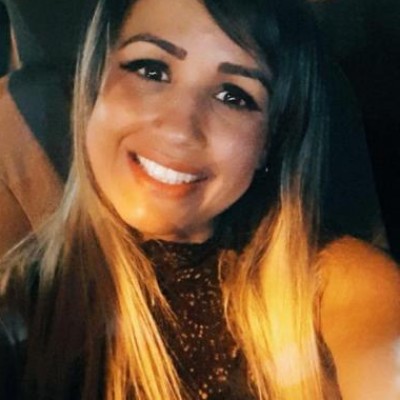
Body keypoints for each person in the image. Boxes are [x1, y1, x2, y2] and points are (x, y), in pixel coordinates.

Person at [0, 0, 399, 399]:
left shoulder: (338, 288)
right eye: (151, 70)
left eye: (233, 96)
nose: (180, 130)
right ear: (95, 87)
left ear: (268, 143)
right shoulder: (18, 305)